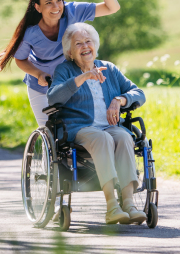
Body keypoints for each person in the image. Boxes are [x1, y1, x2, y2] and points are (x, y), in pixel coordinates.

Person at [47, 22, 147, 225]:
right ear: (70, 51)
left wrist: (119, 100)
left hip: (110, 127)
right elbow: (53, 98)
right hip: (80, 128)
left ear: (95, 45)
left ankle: (128, 204)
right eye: (78, 43)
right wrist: (82, 78)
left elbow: (139, 93)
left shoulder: (109, 69)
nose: (85, 46)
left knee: (125, 137)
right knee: (102, 138)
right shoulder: (65, 70)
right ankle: (112, 206)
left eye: (88, 41)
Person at [0, 0, 120, 127]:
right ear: (38, 7)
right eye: (48, 3)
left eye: (59, 0)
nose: (56, 7)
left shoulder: (72, 11)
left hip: (70, 84)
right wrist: (39, 73)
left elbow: (113, 7)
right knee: (50, 130)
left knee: (75, 130)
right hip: (41, 88)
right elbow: (20, 59)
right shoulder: (30, 32)